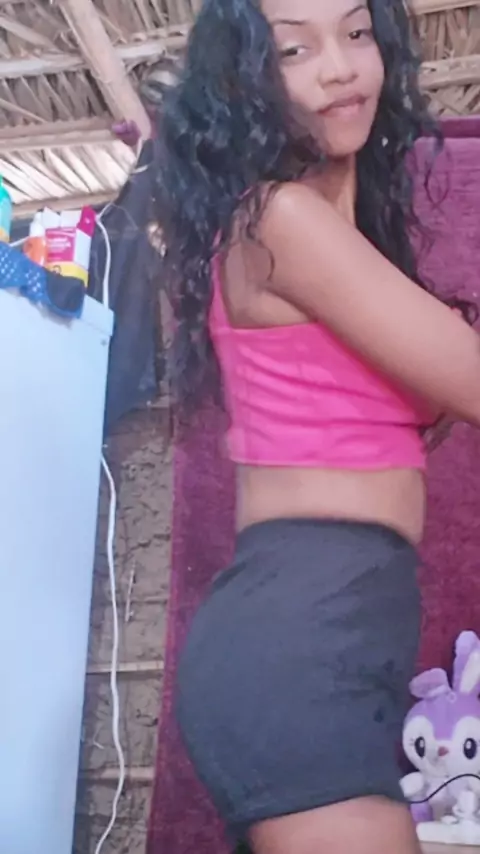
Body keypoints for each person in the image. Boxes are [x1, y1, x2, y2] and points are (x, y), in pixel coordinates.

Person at [154, 1, 480, 852]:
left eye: (358, 33)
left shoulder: (334, 235)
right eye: (296, 49)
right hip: (301, 634)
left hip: (345, 630)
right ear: (247, 79)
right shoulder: (280, 219)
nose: (339, 66)